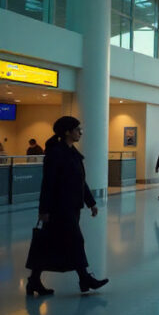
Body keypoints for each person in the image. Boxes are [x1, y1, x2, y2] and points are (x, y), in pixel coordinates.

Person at [26, 116, 108, 296]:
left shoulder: (71, 152)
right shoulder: (56, 153)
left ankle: (33, 281)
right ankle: (85, 278)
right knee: (76, 241)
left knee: (49, 243)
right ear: (67, 132)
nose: (80, 132)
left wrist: (91, 202)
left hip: (71, 206)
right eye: (78, 129)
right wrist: (44, 210)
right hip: (59, 208)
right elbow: (48, 183)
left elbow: (80, 181)